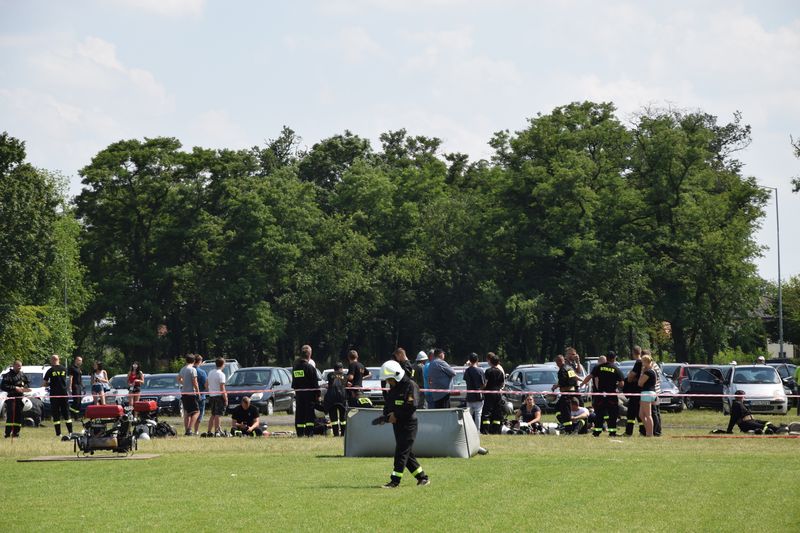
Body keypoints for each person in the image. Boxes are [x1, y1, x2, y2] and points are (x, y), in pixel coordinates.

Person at [377, 356, 430, 488]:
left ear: (396, 376)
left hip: (409, 424)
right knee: (407, 453)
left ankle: (395, 481)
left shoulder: (411, 386)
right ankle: (422, 477)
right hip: (398, 424)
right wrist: (386, 416)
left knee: (401, 452)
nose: (388, 382)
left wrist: (396, 415)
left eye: (389, 379)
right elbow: (388, 404)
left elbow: (411, 406)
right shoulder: (394, 388)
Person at [582, 350, 624, 437]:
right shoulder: (616, 369)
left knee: (599, 414)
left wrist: (582, 384)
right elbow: (621, 384)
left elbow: (589, 377)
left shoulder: (599, 367)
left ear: (607, 357)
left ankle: (597, 432)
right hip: (611, 396)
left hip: (600, 395)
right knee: (612, 414)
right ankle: (612, 433)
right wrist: (615, 385)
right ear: (614, 358)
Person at [292, 344, 320, 437]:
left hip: (299, 395)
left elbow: (294, 384)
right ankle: (309, 433)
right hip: (309, 396)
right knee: (309, 415)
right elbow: (315, 384)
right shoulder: (310, 368)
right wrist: (318, 394)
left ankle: (300, 433)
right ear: (309, 355)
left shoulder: (295, 367)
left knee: (299, 414)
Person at [43, 354, 73, 438]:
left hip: (54, 394)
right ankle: (70, 432)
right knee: (66, 413)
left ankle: (58, 434)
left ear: (52, 360)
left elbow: (44, 384)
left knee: (56, 414)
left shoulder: (50, 370)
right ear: (58, 360)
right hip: (64, 394)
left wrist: (50, 383)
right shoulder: (64, 369)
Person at [2, 360, 30, 438]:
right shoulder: (7, 375)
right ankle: (7, 434)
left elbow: (27, 383)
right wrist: (15, 388)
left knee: (18, 416)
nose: (19, 367)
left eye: (20, 366)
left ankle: (16, 433)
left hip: (20, 398)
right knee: (11, 416)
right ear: (13, 365)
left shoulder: (22, 375)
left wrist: (24, 388)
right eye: (18, 366)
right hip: (11, 398)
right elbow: (3, 386)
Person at [552, 355, 579, 433]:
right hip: (572, 392)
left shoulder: (562, 370)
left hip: (566, 393)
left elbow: (563, 382)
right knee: (558, 407)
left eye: (557, 362)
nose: (557, 364)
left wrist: (556, 386)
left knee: (565, 411)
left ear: (560, 361)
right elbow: (573, 379)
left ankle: (568, 429)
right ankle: (564, 424)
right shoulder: (569, 368)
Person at [482, 352, 505, 434]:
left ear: (490, 362)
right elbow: (502, 384)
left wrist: (481, 388)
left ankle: (486, 430)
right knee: (497, 412)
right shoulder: (500, 372)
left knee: (486, 413)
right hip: (497, 394)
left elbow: (485, 383)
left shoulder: (488, 371)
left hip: (489, 394)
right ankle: (496, 430)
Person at [177, 354, 200, 436]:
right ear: (194, 361)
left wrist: (184, 383)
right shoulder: (193, 369)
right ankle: (190, 429)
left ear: (186, 361)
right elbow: (195, 382)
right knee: (196, 412)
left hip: (184, 393)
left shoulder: (183, 369)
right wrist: (198, 392)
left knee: (187, 412)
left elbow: (178, 379)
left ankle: (187, 430)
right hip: (191, 393)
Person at [204, 358, 227, 437]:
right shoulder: (221, 374)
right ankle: (217, 431)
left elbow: (206, 384)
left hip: (212, 396)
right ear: (223, 364)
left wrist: (210, 391)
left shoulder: (210, 372)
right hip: (219, 396)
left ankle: (209, 431)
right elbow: (222, 388)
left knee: (213, 414)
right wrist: (225, 398)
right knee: (218, 414)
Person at [623, 346, 643, 436]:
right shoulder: (643, 362)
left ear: (633, 353)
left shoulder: (638, 363)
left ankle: (629, 432)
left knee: (632, 412)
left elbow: (631, 377)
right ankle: (642, 431)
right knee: (638, 412)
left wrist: (629, 377)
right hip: (639, 392)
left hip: (635, 391)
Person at [324, 362, 348, 436]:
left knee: (333, 417)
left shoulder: (330, 375)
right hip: (342, 398)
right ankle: (343, 433)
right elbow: (344, 383)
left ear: (334, 369)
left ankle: (336, 434)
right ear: (341, 368)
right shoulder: (345, 376)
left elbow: (331, 382)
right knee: (343, 418)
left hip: (332, 399)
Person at [637, 354, 658, 437]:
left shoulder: (648, 372)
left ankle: (650, 433)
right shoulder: (653, 371)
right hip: (649, 393)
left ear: (646, 362)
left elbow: (640, 383)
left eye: (643, 362)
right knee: (641, 415)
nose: (642, 364)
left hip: (647, 393)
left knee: (648, 415)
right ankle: (648, 431)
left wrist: (642, 372)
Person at [463, 353, 485, 429]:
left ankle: (468, 430)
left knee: (468, 415)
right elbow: (483, 384)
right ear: (477, 360)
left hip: (469, 396)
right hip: (478, 396)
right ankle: (477, 431)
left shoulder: (467, 371)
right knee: (478, 414)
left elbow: (465, 380)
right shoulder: (480, 370)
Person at [193, 355, 208, 435]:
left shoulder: (189, 370)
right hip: (200, 395)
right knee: (200, 413)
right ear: (200, 362)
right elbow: (206, 385)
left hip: (189, 395)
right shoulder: (202, 372)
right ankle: (196, 430)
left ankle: (189, 429)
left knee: (190, 413)